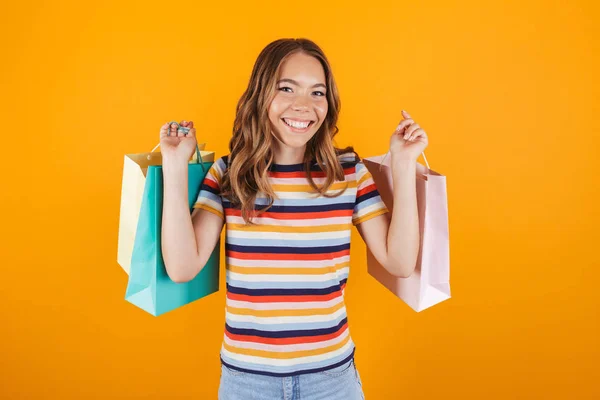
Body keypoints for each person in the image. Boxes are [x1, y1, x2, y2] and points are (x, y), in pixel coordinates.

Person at [159, 38, 428, 400]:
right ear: (260, 94)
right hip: (246, 382)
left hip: (332, 380)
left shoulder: (348, 173)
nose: (304, 106)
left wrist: (404, 162)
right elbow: (181, 268)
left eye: (318, 93)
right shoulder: (229, 175)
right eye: (286, 88)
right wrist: (175, 166)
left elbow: (399, 261)